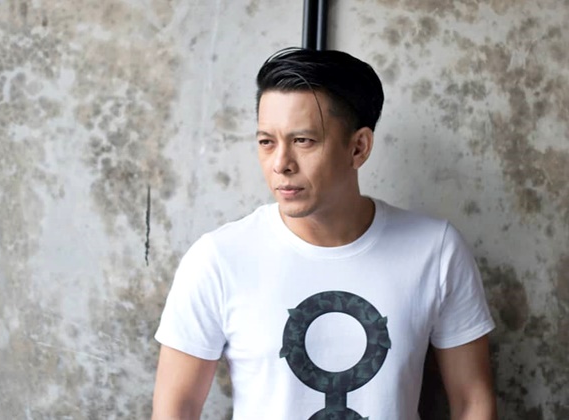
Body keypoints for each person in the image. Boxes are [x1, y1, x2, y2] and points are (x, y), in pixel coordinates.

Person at [152, 47, 497, 420]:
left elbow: (472, 402)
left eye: (303, 141)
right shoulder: (219, 258)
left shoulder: (436, 250)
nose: (281, 164)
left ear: (358, 147)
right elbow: (176, 408)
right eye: (267, 142)